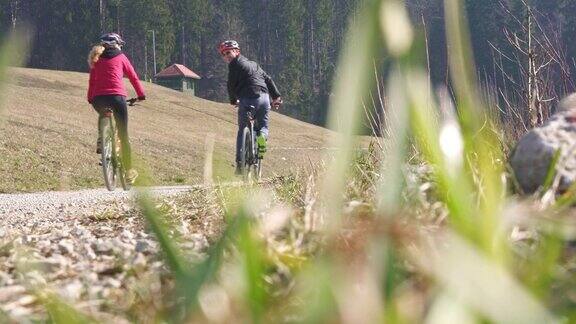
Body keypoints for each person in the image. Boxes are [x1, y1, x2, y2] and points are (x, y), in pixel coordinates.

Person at [87, 32, 145, 184]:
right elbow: (133, 77)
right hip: (117, 98)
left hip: (98, 99)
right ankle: (129, 172)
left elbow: (92, 81)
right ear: (117, 44)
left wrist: (90, 98)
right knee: (124, 136)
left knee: (104, 113)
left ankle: (102, 138)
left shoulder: (96, 57)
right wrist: (141, 95)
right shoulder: (121, 57)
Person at [219, 40, 283, 175]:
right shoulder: (254, 64)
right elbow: (268, 79)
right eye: (224, 54)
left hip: (247, 98)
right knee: (263, 127)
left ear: (237, 51)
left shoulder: (234, 65)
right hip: (265, 98)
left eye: (228, 52)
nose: (226, 56)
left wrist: (232, 100)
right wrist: (276, 97)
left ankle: (240, 165)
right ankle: (261, 140)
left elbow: (230, 84)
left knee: (243, 129)